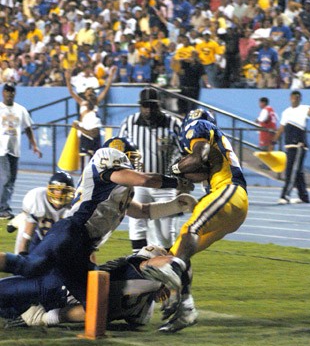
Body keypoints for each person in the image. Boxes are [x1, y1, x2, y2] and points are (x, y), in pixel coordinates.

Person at [0, 138, 196, 309]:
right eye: (130, 157)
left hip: (81, 244)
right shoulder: (105, 162)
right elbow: (144, 180)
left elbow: (143, 211)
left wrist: (176, 206)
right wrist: (176, 182)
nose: (135, 163)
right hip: (72, 231)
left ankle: (41, 315)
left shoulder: (117, 190)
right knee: (31, 267)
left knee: (94, 299)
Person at [160, 108, 249, 333]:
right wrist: (180, 174)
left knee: (191, 229)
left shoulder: (199, 126)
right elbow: (201, 169)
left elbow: (197, 157)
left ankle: (175, 272)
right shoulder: (213, 141)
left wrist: (174, 167)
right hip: (227, 202)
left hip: (230, 190)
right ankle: (186, 308)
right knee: (180, 247)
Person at [1, 245, 190, 331]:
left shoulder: (137, 272)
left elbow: (161, 263)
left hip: (59, 287)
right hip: (64, 297)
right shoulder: (141, 313)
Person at [118, 88, 182, 252]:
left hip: (165, 184)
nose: (148, 110)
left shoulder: (173, 124)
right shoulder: (129, 123)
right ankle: (137, 260)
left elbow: (185, 152)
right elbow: (118, 151)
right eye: (145, 106)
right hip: (138, 182)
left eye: (152, 106)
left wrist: (181, 179)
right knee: (136, 223)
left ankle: (169, 262)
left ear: (159, 105)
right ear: (140, 106)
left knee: (167, 230)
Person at [0, 82, 42, 219]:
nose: (9, 93)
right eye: (7, 91)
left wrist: (34, 145)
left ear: (15, 93)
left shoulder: (21, 110)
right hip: (1, 150)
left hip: (15, 150)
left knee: (11, 180)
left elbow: (28, 128)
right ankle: (3, 209)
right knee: (5, 178)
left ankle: (4, 208)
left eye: (12, 91)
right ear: (3, 92)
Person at [10, 171, 75, 255]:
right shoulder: (37, 197)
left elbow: (84, 239)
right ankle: (20, 219)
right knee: (24, 225)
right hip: (39, 236)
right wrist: (21, 255)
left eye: (64, 190)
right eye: (56, 190)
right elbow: (27, 234)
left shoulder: (76, 206)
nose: (60, 193)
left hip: (59, 240)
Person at [65, 67, 116, 165]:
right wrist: (67, 79)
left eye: (91, 91)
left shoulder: (96, 102)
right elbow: (71, 92)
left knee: (95, 157)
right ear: (85, 94)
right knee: (84, 157)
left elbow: (106, 89)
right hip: (84, 131)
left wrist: (111, 76)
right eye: (88, 91)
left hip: (93, 130)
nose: (90, 92)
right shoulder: (82, 102)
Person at [272, 91, 310, 205]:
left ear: (300, 98)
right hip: (289, 145)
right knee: (298, 172)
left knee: (291, 171)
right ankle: (304, 197)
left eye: (297, 97)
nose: (295, 99)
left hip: (299, 145)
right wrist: (274, 140)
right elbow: (281, 127)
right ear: (290, 98)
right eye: (293, 97)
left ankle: (285, 195)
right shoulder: (286, 112)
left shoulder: (305, 108)